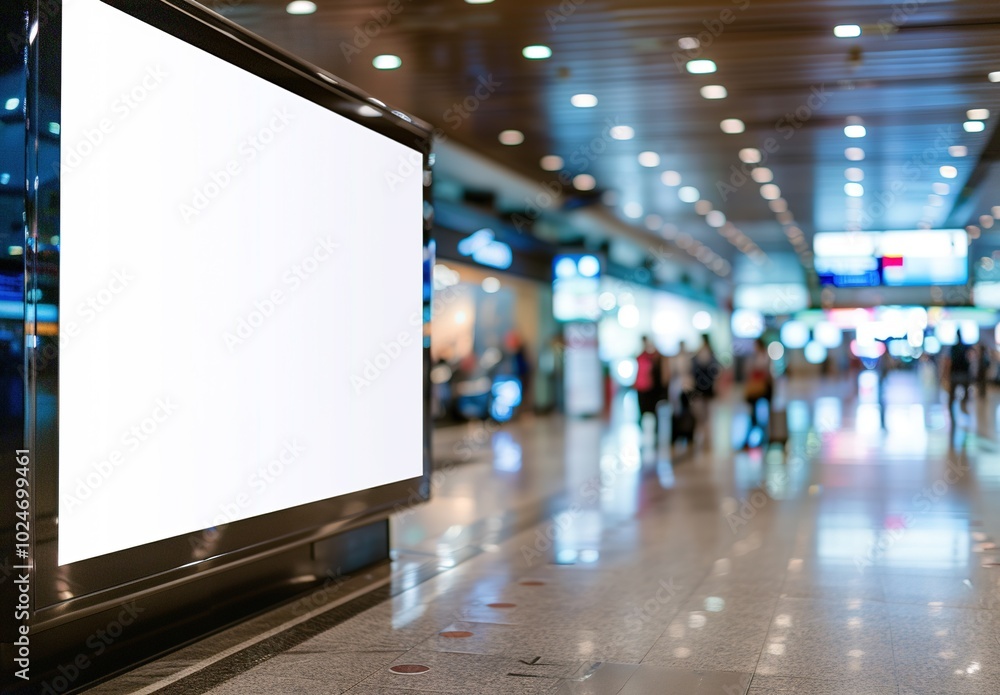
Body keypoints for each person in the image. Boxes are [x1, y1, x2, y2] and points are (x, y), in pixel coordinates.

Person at [742, 338, 772, 448]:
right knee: (753, 413)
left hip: (763, 386)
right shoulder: (753, 357)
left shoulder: (765, 356)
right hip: (755, 386)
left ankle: (764, 435)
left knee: (765, 411)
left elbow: (768, 372)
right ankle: (752, 434)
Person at [691, 334, 720, 446]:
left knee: (707, 409)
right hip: (700, 384)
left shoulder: (711, 353)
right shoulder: (699, 353)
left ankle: (706, 430)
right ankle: (701, 429)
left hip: (707, 385)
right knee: (699, 409)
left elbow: (715, 369)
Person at [635, 336, 665, 432]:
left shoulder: (651, 356)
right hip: (641, 386)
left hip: (649, 386)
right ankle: (642, 430)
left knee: (651, 409)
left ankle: (654, 430)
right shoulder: (640, 356)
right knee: (642, 410)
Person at [944, 338, 972, 417]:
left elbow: (949, 361)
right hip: (961, 374)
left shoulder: (954, 348)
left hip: (957, 374)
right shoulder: (964, 347)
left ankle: (952, 407)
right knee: (963, 393)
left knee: (953, 394)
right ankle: (960, 407)